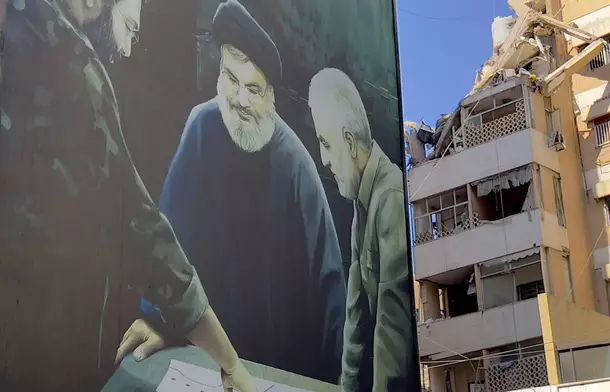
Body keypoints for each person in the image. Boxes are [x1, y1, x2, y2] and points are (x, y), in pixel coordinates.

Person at [0, 1, 252, 391]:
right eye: (130, 29)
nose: (129, 50)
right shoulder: (69, 62)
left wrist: (157, 323)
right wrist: (230, 362)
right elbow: (140, 230)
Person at [134, 0, 347, 384]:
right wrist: (155, 320)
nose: (240, 99)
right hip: (199, 358)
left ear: (271, 97)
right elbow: (168, 236)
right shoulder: (201, 127)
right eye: (230, 80)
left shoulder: (297, 167)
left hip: (276, 369)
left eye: (253, 88)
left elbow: (330, 289)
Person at [308, 68, 416, 391]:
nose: (323, 159)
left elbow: (391, 332)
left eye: (325, 144)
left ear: (349, 143)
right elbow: (355, 313)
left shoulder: (391, 198)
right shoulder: (362, 204)